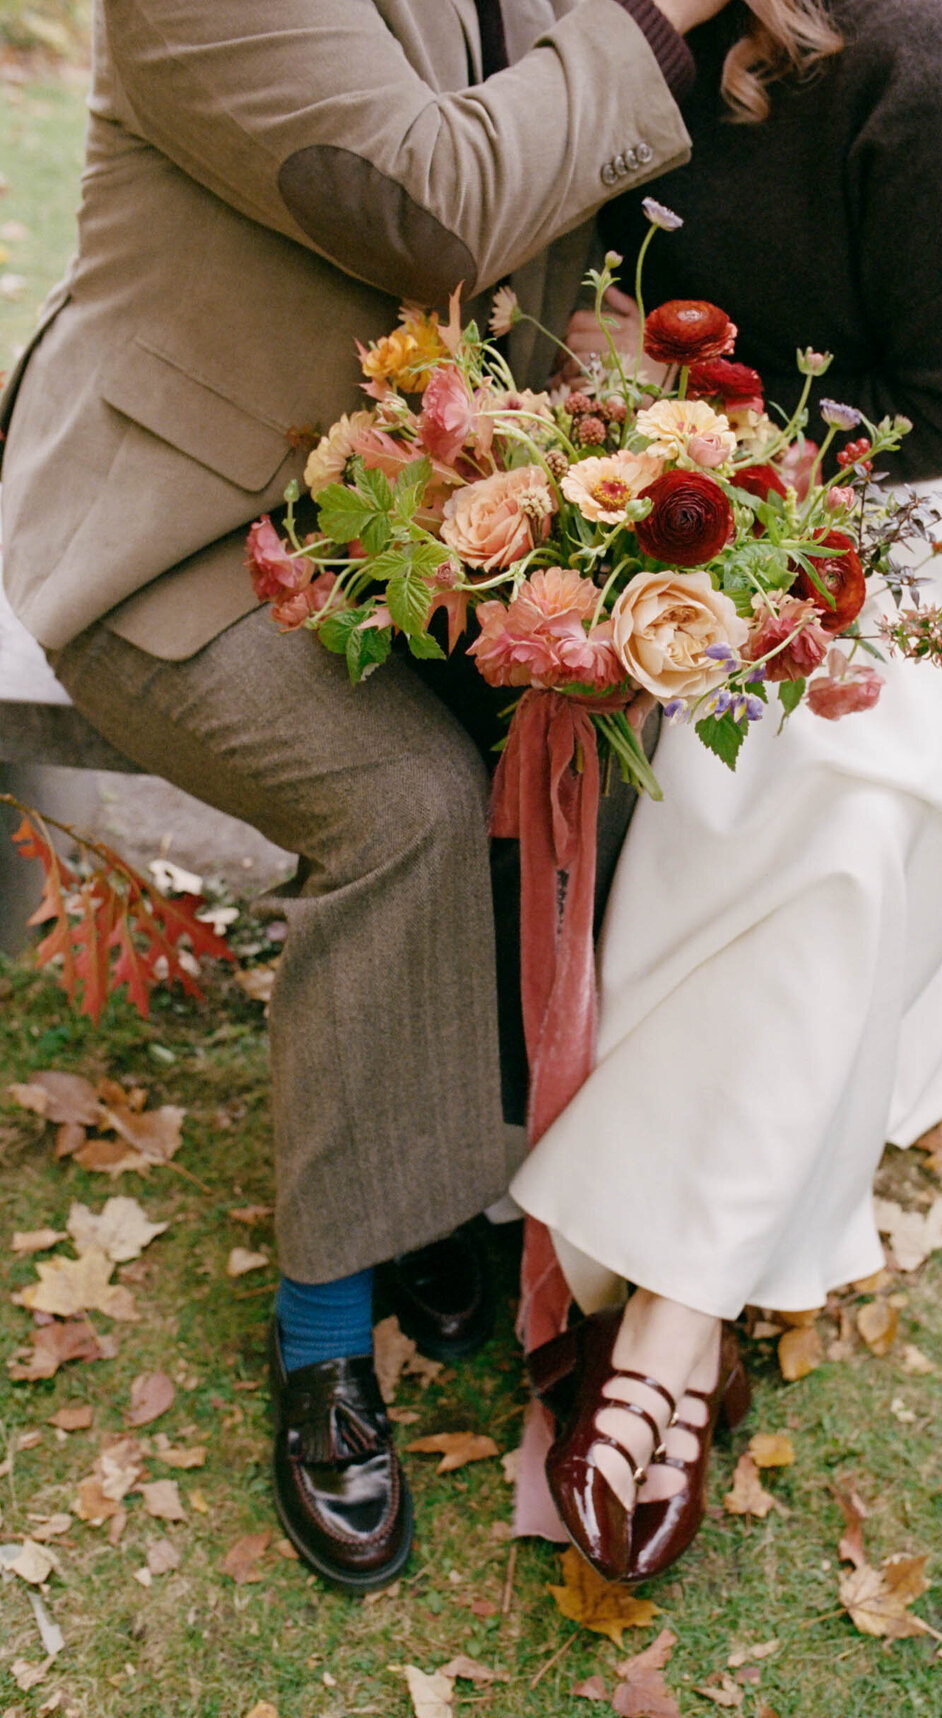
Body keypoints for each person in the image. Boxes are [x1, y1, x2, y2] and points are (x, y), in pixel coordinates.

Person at [0, 0, 735, 1592]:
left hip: (395, 517)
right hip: (167, 531)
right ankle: (325, 1324)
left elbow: (551, 242)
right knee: (403, 801)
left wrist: (604, 467)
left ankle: (449, 1195)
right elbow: (435, 199)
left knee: (562, 733)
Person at [507, 0, 942, 1581]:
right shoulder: (612, 23)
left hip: (921, 548)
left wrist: (752, 495)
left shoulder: (933, 58)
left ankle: (675, 1307)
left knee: (852, 785)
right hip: (682, 510)